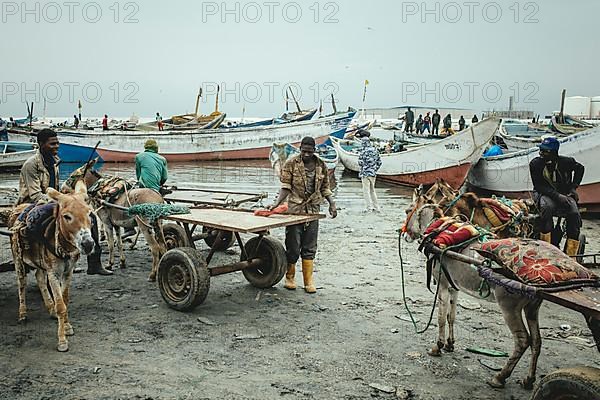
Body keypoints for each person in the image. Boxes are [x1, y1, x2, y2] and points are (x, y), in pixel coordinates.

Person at [18, 129, 112, 275]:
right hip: (33, 202)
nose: (56, 146)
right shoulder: (31, 165)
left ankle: (94, 263)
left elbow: (56, 187)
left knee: (90, 217)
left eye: (57, 143)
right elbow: (35, 194)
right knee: (39, 223)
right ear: (41, 144)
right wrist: (61, 201)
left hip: (53, 199)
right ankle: (36, 259)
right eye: (52, 144)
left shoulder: (54, 161)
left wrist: (69, 194)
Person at [270, 136, 337, 293]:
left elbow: (325, 187)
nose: (306, 154)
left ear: (314, 150)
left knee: (310, 246)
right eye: (303, 151)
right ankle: (290, 276)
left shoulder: (321, 165)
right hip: (295, 209)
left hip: (313, 209)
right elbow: (285, 187)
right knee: (293, 245)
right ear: (300, 150)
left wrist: (332, 204)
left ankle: (308, 281)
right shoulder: (291, 164)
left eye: (309, 151)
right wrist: (277, 204)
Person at [529, 136, 584, 256]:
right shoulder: (535, 164)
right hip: (545, 194)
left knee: (574, 213)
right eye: (541, 150)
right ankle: (546, 250)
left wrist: (573, 188)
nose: (541, 153)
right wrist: (557, 196)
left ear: (553, 152)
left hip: (565, 194)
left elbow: (580, 168)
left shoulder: (567, 162)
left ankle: (571, 255)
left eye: (545, 151)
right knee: (546, 208)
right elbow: (539, 186)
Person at [358, 136, 382, 213]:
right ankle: (376, 207)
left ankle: (369, 208)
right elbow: (379, 162)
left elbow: (360, 163)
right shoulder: (375, 150)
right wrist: (374, 169)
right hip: (373, 174)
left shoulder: (363, 151)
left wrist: (364, 168)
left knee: (366, 191)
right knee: (372, 191)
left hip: (365, 174)